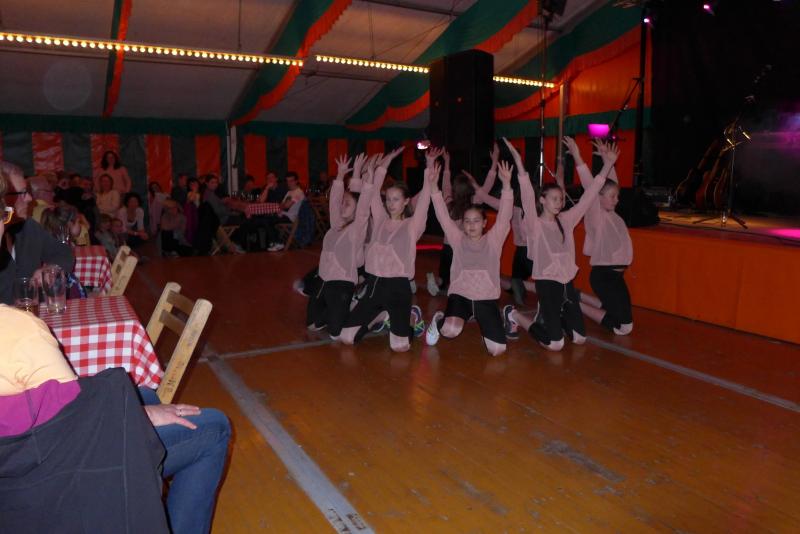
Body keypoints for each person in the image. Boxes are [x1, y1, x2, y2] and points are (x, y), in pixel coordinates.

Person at [502, 137, 618, 351]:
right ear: (542, 200)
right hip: (547, 285)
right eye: (554, 198)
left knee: (580, 339)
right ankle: (515, 315)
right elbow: (527, 194)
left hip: (567, 285)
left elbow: (589, 196)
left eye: (561, 198)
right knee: (555, 344)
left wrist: (608, 164)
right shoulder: (534, 224)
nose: (559, 202)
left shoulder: (566, 219)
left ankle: (554, 316)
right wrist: (518, 162)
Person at [339, 147, 434, 353]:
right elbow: (372, 193)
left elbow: (426, 198)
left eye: (396, 199)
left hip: (398, 288)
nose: (391, 204)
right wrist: (381, 168)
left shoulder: (412, 225)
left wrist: (429, 167)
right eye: (388, 199)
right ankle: (382, 316)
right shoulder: (380, 219)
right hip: (374, 286)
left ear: (406, 201)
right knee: (346, 337)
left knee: (400, 347)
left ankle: (412, 318)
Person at [425, 159, 514, 356]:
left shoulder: (494, 240)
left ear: (484, 223)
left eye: (476, 221)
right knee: (450, 331)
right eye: (467, 221)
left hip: (486, 298)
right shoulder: (457, 239)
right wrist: (433, 188)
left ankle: (487, 328)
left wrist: (507, 185)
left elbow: (505, 215)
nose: (471, 225)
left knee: (498, 350)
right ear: (462, 224)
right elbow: (442, 216)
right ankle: (439, 321)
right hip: (461, 296)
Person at [306, 154, 376, 338]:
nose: (342, 206)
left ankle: (353, 304)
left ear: (356, 208)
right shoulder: (336, 223)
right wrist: (340, 175)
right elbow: (334, 201)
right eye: (343, 203)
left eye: (348, 204)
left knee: (335, 332)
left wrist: (368, 182)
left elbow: (363, 208)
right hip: (323, 279)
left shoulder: (356, 229)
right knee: (312, 325)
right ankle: (340, 307)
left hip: (342, 283)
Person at [570, 138, 634, 335]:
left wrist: (609, 161)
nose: (616, 200)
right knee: (624, 327)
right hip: (604, 276)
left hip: (615, 276)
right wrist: (578, 158)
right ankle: (573, 303)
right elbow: (591, 185)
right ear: (598, 197)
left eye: (617, 196)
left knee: (614, 310)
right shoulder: (595, 213)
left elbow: (611, 185)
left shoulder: (611, 213)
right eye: (612, 197)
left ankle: (578, 296)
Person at [0, 162, 74, 305]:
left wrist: (51, 268)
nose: (29, 198)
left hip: (33, 314)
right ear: (3, 198)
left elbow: (63, 252)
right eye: (22, 193)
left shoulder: (28, 227)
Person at [264, 171, 306, 252]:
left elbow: (286, 206)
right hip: (283, 215)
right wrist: (281, 206)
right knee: (265, 218)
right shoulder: (289, 192)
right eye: (287, 181)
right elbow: (282, 205)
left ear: (296, 181)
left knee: (268, 220)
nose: (289, 183)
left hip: (291, 218)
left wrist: (281, 206)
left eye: (291, 181)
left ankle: (278, 242)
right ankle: (274, 241)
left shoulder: (299, 193)